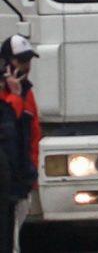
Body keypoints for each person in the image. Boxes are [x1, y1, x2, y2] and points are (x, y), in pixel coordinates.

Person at [0, 37, 33, 253]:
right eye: (20, 60)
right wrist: (13, 97)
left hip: (17, 174)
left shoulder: (26, 91)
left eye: (28, 60)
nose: (26, 66)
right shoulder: (10, 94)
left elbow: (30, 135)